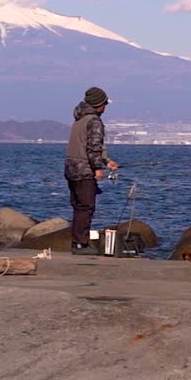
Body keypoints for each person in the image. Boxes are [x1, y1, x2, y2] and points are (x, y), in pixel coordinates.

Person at [64, 86, 119, 254]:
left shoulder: (79, 119)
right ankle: (81, 245)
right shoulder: (94, 121)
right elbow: (93, 148)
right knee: (86, 207)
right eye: (104, 104)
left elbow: (84, 145)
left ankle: (77, 242)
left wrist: (107, 161)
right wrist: (98, 168)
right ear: (98, 104)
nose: (105, 108)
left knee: (78, 207)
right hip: (84, 170)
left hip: (71, 168)